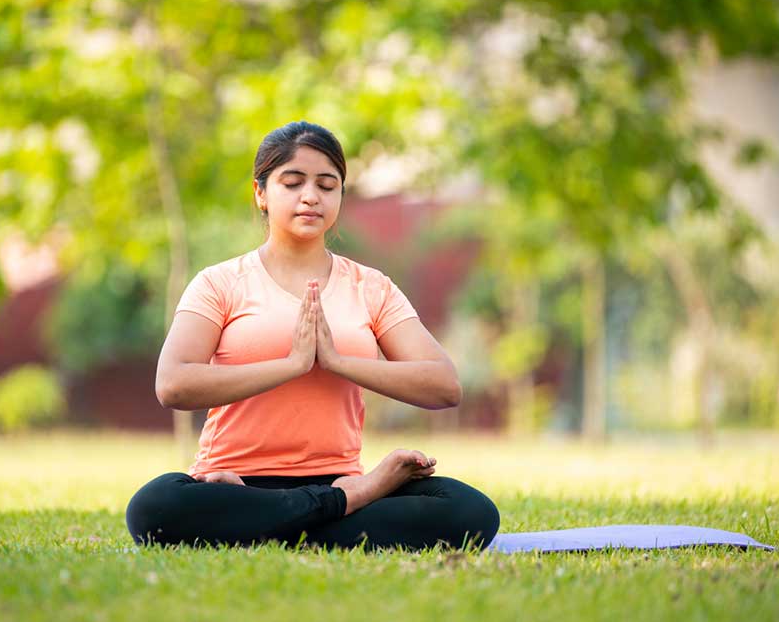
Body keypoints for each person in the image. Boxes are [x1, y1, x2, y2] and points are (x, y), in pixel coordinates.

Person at [126, 121, 500, 552]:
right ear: (260, 193)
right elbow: (172, 384)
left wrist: (338, 361)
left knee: (468, 511)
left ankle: (277, 522)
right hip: (234, 483)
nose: (311, 196)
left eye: (327, 184)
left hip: (330, 475)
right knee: (154, 507)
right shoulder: (220, 283)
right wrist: (291, 365)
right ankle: (341, 506)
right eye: (292, 182)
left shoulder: (371, 286)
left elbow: (444, 385)